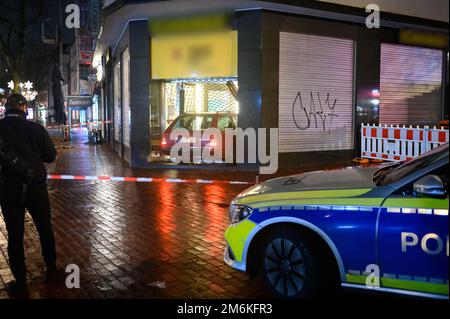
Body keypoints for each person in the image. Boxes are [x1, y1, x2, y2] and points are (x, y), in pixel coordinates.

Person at [0, 93, 58, 295]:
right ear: (24, 108)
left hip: (8, 189)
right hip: (36, 188)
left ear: (7, 109)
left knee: (14, 236)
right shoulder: (35, 129)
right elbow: (50, 156)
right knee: (44, 229)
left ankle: (21, 279)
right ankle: (51, 269)